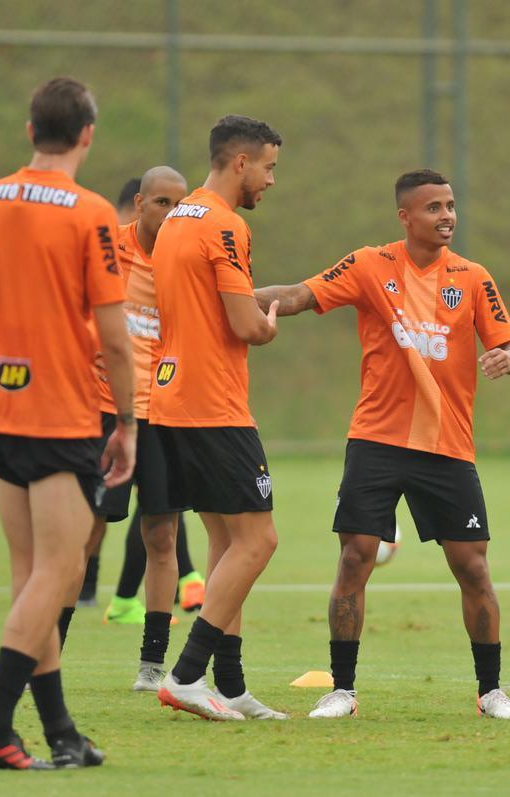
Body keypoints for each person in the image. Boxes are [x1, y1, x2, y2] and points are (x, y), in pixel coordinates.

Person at [255, 169, 510, 720]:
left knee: (472, 568)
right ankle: (343, 691)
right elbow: (299, 295)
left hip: (448, 445)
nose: (446, 215)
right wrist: (223, 300)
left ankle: (491, 691)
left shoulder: (473, 277)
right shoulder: (367, 265)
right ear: (405, 217)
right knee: (355, 558)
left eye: (450, 205)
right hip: (376, 440)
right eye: (433, 208)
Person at [0, 77, 135, 769]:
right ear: (87, 134)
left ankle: (60, 733)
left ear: (29, 132)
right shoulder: (90, 214)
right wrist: (129, 423)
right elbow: (113, 337)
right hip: (59, 416)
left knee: (32, 576)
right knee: (59, 572)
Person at [150, 115, 287, 721]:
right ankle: (186, 675)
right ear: (241, 163)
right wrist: (270, 322)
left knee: (225, 539)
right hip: (214, 403)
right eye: (269, 167)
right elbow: (245, 325)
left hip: (171, 398)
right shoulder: (226, 227)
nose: (271, 180)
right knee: (260, 540)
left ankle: (229, 685)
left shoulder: (177, 219)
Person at [80, 165, 209, 693]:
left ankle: (151, 665)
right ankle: (47, 653)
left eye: (180, 206)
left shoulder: (189, 261)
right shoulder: (106, 249)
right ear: (139, 203)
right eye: (161, 203)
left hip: (164, 415)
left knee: (163, 535)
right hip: (105, 410)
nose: (170, 214)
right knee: (82, 534)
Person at [77, 174, 144, 606]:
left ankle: (104, 592)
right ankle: (82, 585)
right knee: (95, 505)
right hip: (100, 398)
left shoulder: (161, 255)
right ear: (141, 205)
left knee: (158, 512)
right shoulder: (104, 247)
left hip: (142, 399)